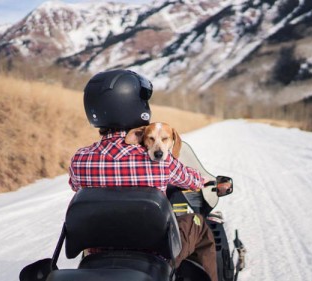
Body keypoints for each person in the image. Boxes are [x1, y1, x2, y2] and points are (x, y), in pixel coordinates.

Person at [68, 69, 218, 281]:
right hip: (154, 254)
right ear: (135, 106)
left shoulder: (80, 159)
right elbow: (192, 180)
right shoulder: (159, 160)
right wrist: (207, 181)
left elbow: (76, 187)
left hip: (98, 253)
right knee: (199, 224)